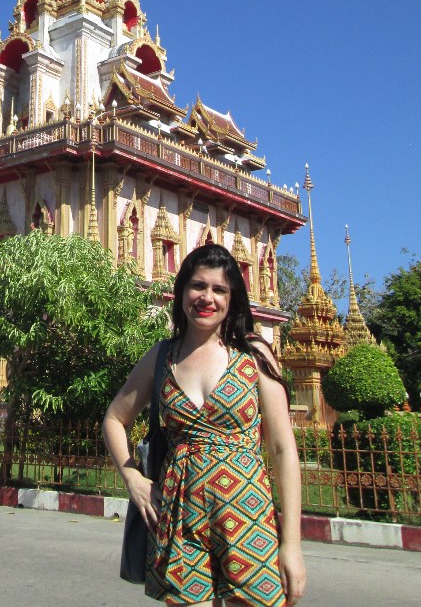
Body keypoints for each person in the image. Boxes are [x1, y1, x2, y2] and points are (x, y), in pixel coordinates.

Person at [103, 244, 306, 606]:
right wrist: (132, 478)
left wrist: (291, 544)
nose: (207, 298)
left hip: (247, 511)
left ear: (232, 298)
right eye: (198, 286)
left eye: (219, 289)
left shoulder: (254, 354)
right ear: (181, 291)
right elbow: (115, 419)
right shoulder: (162, 357)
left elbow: (282, 449)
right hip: (179, 511)